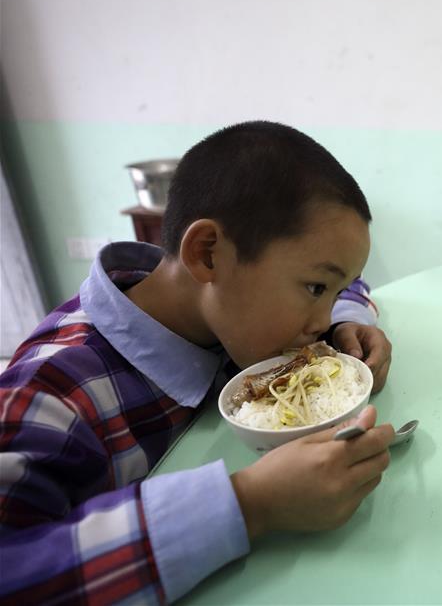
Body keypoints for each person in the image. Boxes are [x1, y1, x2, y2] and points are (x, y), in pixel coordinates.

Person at [0, 121, 395, 603]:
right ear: (207, 254)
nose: (322, 318)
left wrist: (347, 320)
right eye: (316, 289)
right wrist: (250, 506)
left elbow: (348, 279)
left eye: (331, 294)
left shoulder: (222, 307)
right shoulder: (49, 393)